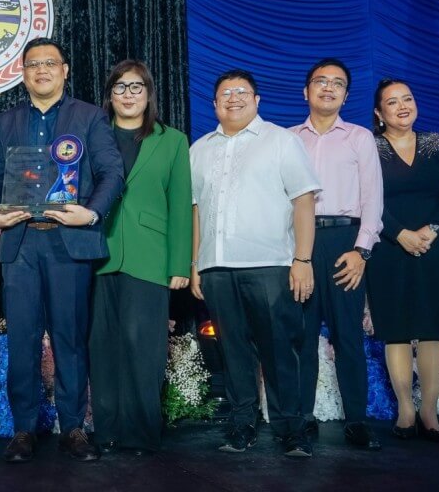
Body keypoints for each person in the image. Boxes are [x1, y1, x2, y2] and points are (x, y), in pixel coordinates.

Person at [0, 37, 124, 463]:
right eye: (32, 64)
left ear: (65, 70)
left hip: (69, 243)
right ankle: (24, 430)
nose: (41, 70)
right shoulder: (3, 122)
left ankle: (74, 428)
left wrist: (92, 213)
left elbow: (112, 172)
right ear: (22, 73)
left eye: (50, 63)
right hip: (22, 241)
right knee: (23, 338)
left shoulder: (90, 116)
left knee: (69, 337)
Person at [189, 69, 320, 458]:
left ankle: (291, 429)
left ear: (257, 100)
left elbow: (303, 200)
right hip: (216, 266)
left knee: (279, 349)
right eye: (225, 92)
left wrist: (303, 259)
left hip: (271, 264)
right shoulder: (199, 149)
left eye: (241, 91)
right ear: (214, 103)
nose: (233, 97)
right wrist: (196, 262)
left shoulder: (281, 141)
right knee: (233, 351)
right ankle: (242, 424)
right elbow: (196, 210)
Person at [89, 60, 192, 454]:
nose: (128, 94)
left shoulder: (173, 140)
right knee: (103, 345)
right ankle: (107, 430)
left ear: (148, 94)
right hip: (98, 254)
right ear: (109, 95)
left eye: (136, 87)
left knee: (143, 346)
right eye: (120, 87)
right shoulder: (93, 137)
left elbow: (181, 204)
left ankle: (141, 432)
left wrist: (179, 263)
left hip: (150, 255)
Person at [289, 59, 383, 450]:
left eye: (338, 83)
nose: (329, 88)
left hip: (345, 243)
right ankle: (302, 417)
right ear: (306, 91)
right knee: (302, 335)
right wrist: (294, 255)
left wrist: (361, 250)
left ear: (346, 94)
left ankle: (357, 421)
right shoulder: (288, 139)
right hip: (301, 246)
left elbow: (373, 198)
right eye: (321, 81)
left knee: (347, 336)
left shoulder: (359, 138)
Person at [367, 79, 439, 443]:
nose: (402, 106)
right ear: (379, 113)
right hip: (389, 248)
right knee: (395, 330)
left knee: (432, 329)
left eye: (408, 99)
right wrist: (399, 233)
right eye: (392, 102)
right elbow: (366, 200)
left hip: (435, 248)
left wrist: (432, 228)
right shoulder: (370, 148)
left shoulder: (438, 143)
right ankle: (405, 410)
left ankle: (429, 412)